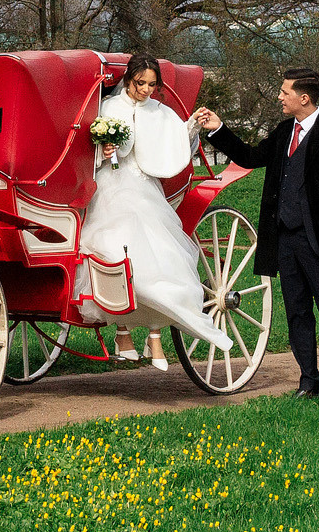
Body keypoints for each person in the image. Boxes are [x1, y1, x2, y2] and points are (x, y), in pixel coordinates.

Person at [192, 68, 319, 409]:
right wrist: (216, 128)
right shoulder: (283, 131)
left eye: (284, 91)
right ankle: (309, 382)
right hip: (285, 241)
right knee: (297, 314)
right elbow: (249, 156)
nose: (279, 96)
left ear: (303, 98)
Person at [77, 56, 233, 364]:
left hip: (145, 188)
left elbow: (174, 146)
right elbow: (86, 148)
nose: (146, 90)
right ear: (128, 79)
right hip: (110, 185)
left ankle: (155, 334)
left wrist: (191, 127)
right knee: (114, 247)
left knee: (159, 255)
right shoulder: (108, 108)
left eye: (152, 84)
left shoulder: (162, 113)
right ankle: (122, 333)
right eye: (140, 83)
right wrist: (103, 150)